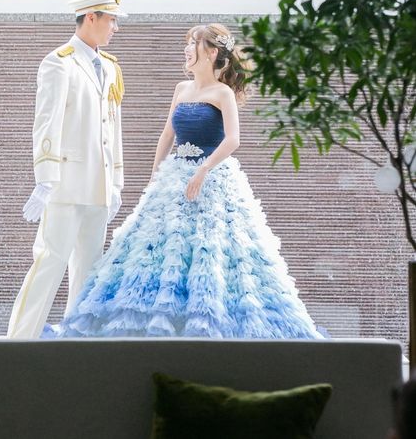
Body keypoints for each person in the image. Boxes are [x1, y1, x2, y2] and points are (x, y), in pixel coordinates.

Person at [55, 23, 323, 338]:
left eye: (193, 43)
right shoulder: (181, 89)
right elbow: (167, 136)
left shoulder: (223, 93)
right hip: (174, 178)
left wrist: (204, 169)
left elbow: (233, 139)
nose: (186, 49)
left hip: (212, 180)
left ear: (211, 52)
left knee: (211, 247)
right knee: (159, 248)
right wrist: (155, 178)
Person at [7, 0, 126, 339]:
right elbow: (47, 122)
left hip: (99, 187)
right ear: (91, 17)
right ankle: (18, 342)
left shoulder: (110, 67)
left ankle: (76, 343)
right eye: (111, 20)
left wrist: (116, 183)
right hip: (65, 185)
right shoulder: (59, 62)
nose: (115, 27)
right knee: (49, 263)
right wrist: (45, 179)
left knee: (88, 273)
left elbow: (113, 129)